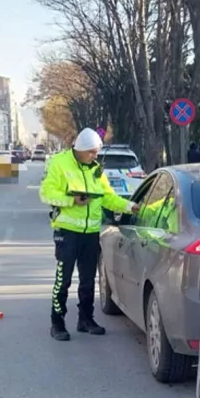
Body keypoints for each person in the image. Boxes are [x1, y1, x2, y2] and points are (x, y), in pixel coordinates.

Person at [39, 128, 141, 341]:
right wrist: (71, 200)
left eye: (97, 152)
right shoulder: (59, 163)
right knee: (63, 280)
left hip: (91, 233)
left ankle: (86, 319)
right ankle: (57, 323)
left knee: (88, 280)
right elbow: (46, 193)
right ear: (81, 149)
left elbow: (108, 198)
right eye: (92, 152)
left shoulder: (96, 170)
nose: (95, 157)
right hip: (67, 232)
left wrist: (130, 206)